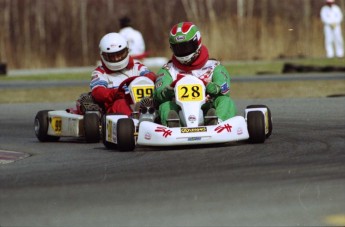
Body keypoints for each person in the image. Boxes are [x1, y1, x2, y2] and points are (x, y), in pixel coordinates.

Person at [153, 22, 237, 127]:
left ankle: (216, 123)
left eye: (186, 47)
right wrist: (167, 91)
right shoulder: (168, 70)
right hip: (179, 112)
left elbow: (224, 90)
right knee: (165, 105)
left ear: (197, 42)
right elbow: (157, 94)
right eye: (178, 48)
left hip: (207, 108)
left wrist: (213, 88)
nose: (183, 52)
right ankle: (173, 125)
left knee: (225, 100)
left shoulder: (214, 66)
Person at [90, 32, 156, 116]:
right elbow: (98, 91)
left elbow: (150, 75)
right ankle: (133, 121)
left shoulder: (136, 66)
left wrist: (148, 79)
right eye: (111, 56)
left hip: (142, 104)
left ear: (127, 51)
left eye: (119, 54)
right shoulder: (100, 72)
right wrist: (114, 93)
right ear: (103, 55)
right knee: (121, 103)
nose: (116, 58)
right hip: (114, 110)